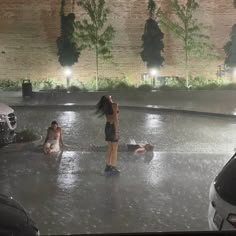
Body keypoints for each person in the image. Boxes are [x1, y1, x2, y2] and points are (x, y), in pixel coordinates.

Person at [96, 95, 120, 174]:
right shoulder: (114, 105)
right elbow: (115, 119)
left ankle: (108, 166)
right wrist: (117, 131)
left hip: (107, 127)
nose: (110, 95)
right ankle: (113, 167)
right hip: (113, 127)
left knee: (110, 148)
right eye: (108, 96)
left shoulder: (105, 107)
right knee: (115, 149)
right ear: (108, 99)